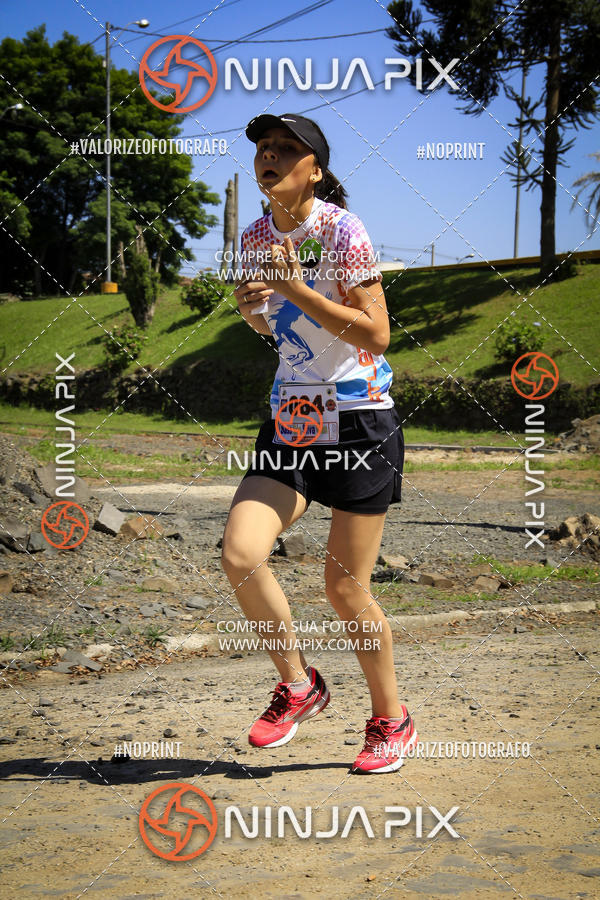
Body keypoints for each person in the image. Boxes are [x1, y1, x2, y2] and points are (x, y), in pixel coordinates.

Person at [221, 113, 417, 774]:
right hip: (296, 414)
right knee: (242, 552)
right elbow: (273, 329)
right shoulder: (255, 235)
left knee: (343, 587)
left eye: (285, 150)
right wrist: (255, 310)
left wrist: (292, 288)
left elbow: (377, 335)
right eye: (263, 149)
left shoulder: (342, 230)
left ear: (316, 170)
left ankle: (391, 719)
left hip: (360, 417)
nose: (269, 157)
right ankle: (299, 685)